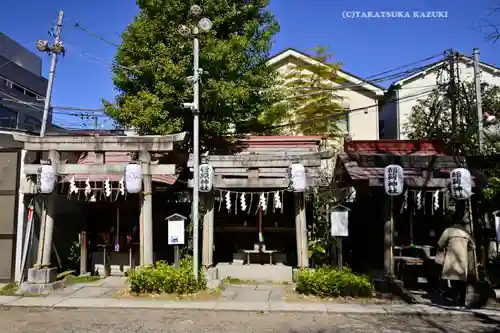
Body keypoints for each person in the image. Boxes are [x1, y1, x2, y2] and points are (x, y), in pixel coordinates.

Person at [437, 222, 475, 307]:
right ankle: (462, 303)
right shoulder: (466, 232)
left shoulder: (448, 231)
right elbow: (473, 246)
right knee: (462, 281)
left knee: (452, 279)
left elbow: (440, 243)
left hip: (451, 258)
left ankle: (454, 301)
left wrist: (446, 246)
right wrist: (465, 248)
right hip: (462, 258)